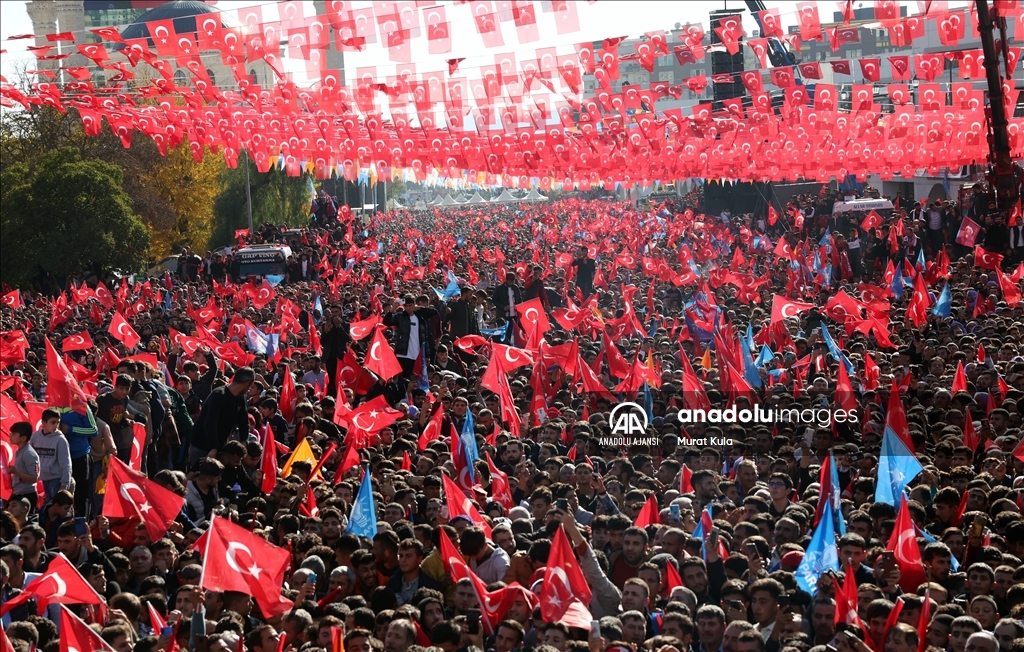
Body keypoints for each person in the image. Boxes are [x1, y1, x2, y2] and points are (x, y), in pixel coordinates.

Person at [188, 367, 255, 469]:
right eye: (250, 386)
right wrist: (213, 448)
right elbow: (209, 423)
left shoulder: (240, 397)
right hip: (202, 444)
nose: (249, 389)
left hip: (219, 445)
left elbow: (243, 420)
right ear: (247, 383)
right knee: (199, 475)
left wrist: (244, 441)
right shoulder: (219, 395)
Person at [30, 409, 71, 504]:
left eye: (58, 422)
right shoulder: (35, 437)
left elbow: (66, 463)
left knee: (56, 506)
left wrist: (64, 484)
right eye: (53, 422)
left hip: (56, 480)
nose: (56, 425)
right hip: (41, 480)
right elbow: (31, 458)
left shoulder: (60, 440)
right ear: (43, 422)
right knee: (47, 508)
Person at [7, 422, 39, 512]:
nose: (10, 435)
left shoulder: (29, 453)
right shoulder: (19, 450)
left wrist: (15, 472)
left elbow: (34, 478)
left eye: (14, 434)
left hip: (27, 494)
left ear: (23, 438)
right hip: (19, 492)